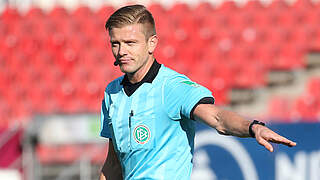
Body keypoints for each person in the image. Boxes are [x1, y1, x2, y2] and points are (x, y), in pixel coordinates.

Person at [99, 4, 296, 180]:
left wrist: (253, 127)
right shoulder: (112, 93)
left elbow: (218, 117)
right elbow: (114, 163)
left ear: (152, 43)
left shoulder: (173, 87)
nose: (121, 51)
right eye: (115, 43)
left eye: (130, 43)